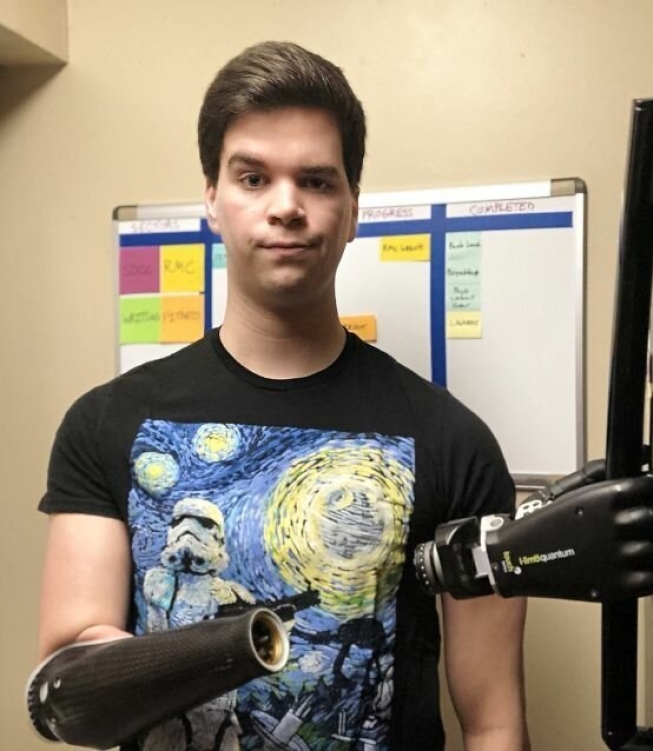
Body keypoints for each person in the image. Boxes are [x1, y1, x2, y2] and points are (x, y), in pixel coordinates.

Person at [36, 41, 530, 750]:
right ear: (213, 199)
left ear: (352, 209)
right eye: (253, 178)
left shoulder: (453, 441)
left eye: (317, 181)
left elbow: (493, 721)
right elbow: (70, 686)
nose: (286, 206)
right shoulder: (106, 422)